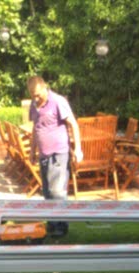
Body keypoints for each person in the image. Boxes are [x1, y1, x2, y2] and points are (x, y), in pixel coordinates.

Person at [27, 76, 83, 237]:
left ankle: (61, 226)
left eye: (38, 95)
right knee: (47, 191)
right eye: (32, 95)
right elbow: (35, 128)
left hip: (58, 153)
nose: (35, 98)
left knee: (57, 191)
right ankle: (52, 223)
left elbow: (73, 124)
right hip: (43, 154)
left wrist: (78, 149)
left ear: (45, 88)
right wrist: (32, 150)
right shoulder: (33, 104)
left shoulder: (58, 101)